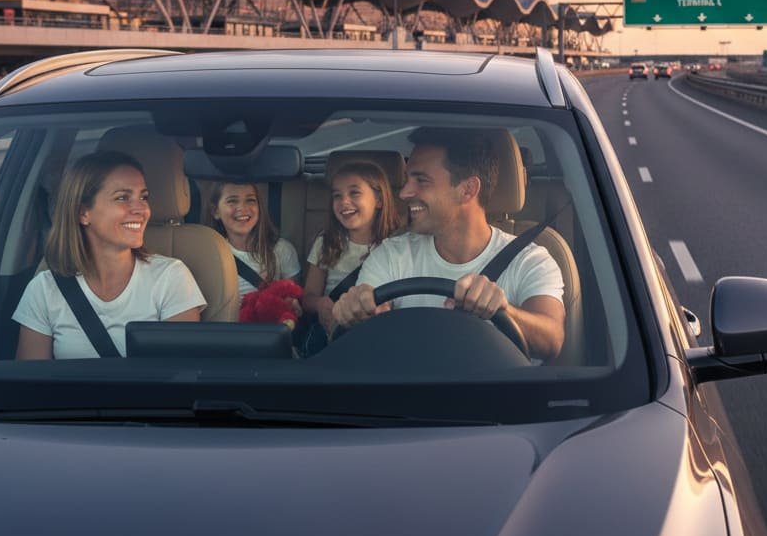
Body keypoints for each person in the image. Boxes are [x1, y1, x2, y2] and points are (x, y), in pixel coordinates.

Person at [332, 128, 565, 362]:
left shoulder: (530, 260)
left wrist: (504, 310)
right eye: (407, 180)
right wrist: (354, 312)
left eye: (421, 180)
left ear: (467, 190)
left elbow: (551, 340)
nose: (404, 193)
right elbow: (360, 344)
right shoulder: (392, 254)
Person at [14, 150, 206, 360]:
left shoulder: (170, 277)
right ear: (83, 213)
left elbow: (180, 376)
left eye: (144, 197)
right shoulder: (44, 289)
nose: (141, 208)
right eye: (123, 197)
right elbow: (31, 384)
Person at [302, 161, 401, 337]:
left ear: (378, 200)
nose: (344, 202)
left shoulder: (397, 245)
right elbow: (308, 296)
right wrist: (320, 304)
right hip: (334, 330)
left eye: (354, 193)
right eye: (337, 196)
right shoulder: (326, 242)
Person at [209, 182, 300, 300]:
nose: (242, 208)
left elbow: (293, 303)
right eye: (232, 201)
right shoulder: (209, 254)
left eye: (250, 200)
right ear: (215, 211)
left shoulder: (281, 250)